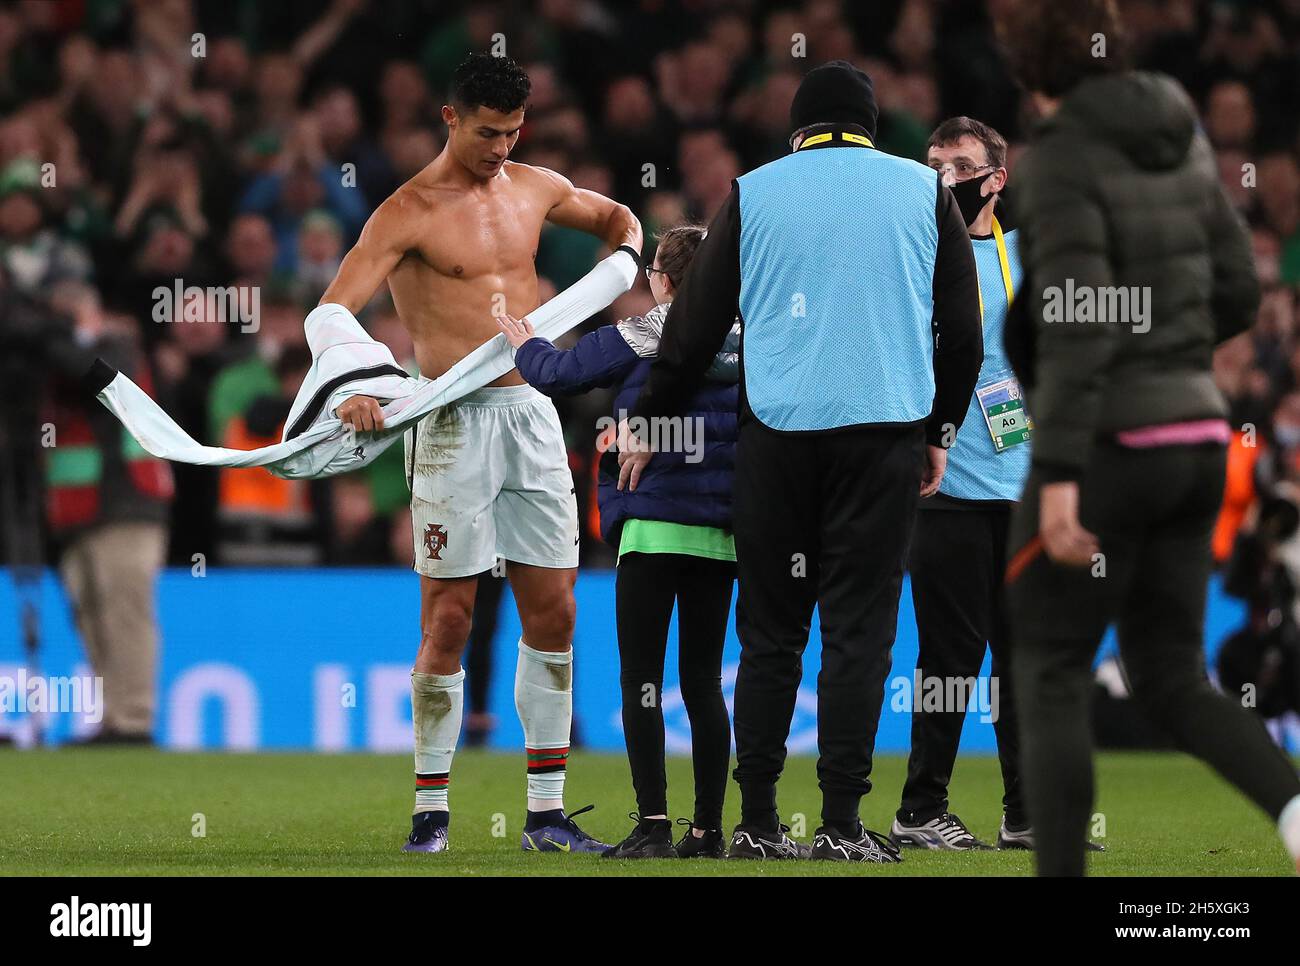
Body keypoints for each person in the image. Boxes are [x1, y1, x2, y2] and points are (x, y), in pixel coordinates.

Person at [624, 60, 983, 862]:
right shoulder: (923, 192)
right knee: (858, 633)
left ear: (799, 128)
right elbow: (963, 335)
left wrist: (650, 422)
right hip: (885, 437)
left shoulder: (754, 192)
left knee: (771, 635)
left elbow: (691, 331)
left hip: (779, 442)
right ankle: (842, 826)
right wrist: (941, 434)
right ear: (870, 123)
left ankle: (754, 822)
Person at [997, 0, 1300, 876]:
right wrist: (1169, 348)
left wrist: (1055, 478)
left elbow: (1080, 322)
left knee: (1050, 663)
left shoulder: (1060, 157)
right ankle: (1292, 812)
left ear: (1031, 74)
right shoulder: (1180, 125)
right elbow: (1239, 287)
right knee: (1170, 674)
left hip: (1108, 449)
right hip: (1199, 436)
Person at [324, 53, 643, 855]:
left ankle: (545, 816)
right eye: (487, 133)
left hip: (531, 412)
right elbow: (332, 311)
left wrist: (626, 264)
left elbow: (619, 224)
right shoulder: (406, 211)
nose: (501, 147)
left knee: (558, 611)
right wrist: (351, 388)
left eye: (511, 133)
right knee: (450, 618)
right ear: (450, 119)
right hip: (450, 419)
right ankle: (430, 815)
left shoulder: (536, 185)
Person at [498, 224, 739, 859]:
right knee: (704, 682)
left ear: (662, 280)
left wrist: (525, 343)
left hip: (654, 523)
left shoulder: (647, 331)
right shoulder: (752, 339)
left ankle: (654, 827)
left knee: (643, 680)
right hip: (721, 533)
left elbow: (559, 373)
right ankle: (709, 829)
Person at [891, 116, 1031, 851]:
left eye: (962, 164)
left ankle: (1025, 812)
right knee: (949, 657)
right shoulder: (912, 254)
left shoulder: (1028, 258)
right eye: (934, 163)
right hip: (940, 485)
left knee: (1024, 652)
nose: (944, 175)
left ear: (995, 178)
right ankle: (919, 809)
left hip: (1023, 482)